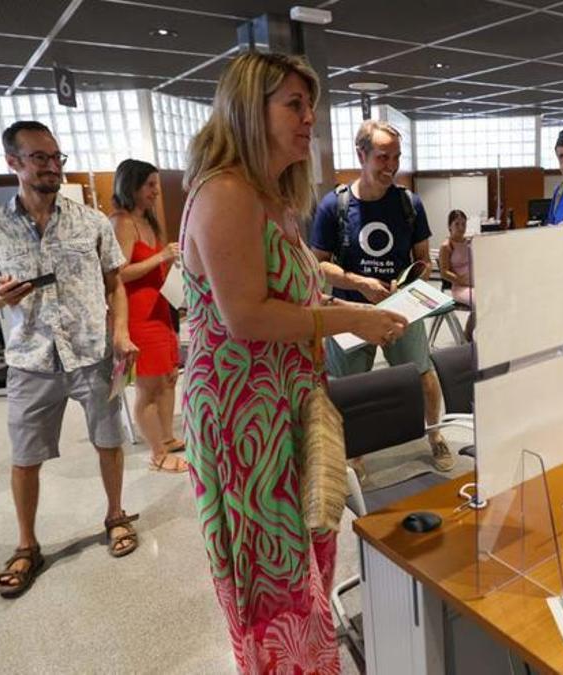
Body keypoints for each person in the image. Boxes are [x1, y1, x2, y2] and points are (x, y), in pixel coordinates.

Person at [180, 52, 406, 673]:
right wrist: (351, 318)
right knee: (273, 575)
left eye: (311, 105)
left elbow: (294, 291)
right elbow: (246, 316)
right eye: (294, 105)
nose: (310, 119)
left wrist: (349, 297)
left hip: (285, 400)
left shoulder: (270, 195)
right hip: (241, 413)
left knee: (306, 555)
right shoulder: (226, 191)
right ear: (250, 111)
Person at [0, 120, 140, 598]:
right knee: (25, 457)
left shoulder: (92, 221)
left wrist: (120, 332)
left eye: (56, 157)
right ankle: (26, 545)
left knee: (108, 440)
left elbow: (115, 284)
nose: (51, 167)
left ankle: (115, 515)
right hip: (30, 358)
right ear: (13, 163)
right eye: (39, 158)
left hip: (91, 353)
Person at [310, 120, 456, 472]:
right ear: (361, 155)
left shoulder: (409, 203)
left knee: (422, 374)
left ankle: (434, 433)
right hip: (349, 309)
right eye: (382, 157)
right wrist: (359, 282)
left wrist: (406, 282)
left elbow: (422, 260)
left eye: (396, 157)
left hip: (401, 308)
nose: (391, 166)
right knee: (349, 389)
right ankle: (355, 453)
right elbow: (317, 266)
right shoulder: (335, 205)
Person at [110, 159, 185, 473]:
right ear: (132, 186)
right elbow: (119, 274)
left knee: (168, 378)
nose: (156, 191)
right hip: (138, 313)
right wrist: (161, 256)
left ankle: (166, 438)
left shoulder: (149, 221)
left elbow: (158, 267)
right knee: (148, 384)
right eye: (149, 185)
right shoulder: (122, 222)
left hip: (161, 309)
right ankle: (157, 452)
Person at [439, 209, 474, 340]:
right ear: (450, 226)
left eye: (464, 224)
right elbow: (444, 273)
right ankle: (467, 335)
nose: (461, 228)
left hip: (473, 284)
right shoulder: (446, 246)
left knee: (492, 298)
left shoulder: (469, 242)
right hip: (460, 288)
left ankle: (473, 333)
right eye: (457, 224)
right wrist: (462, 281)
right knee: (480, 303)